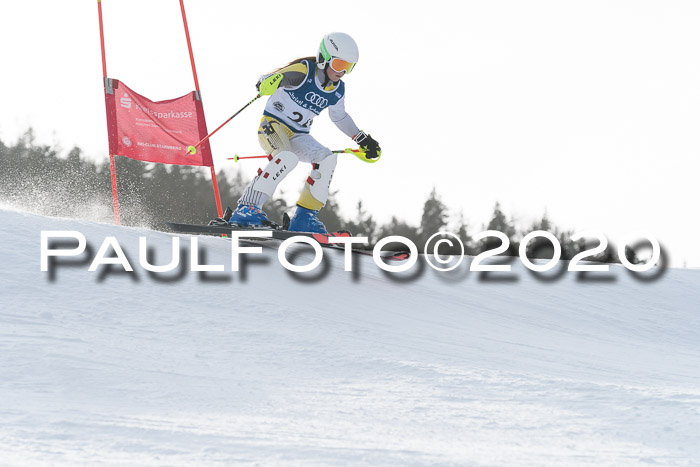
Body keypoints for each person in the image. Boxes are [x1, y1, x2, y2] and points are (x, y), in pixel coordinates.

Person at [228, 32, 381, 234]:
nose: (342, 72)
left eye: (348, 67)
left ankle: (304, 217)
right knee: (286, 157)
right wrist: (264, 84)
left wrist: (362, 139)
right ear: (324, 58)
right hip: (272, 124)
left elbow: (339, 117)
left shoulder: (337, 90)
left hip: (298, 134)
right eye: (339, 65)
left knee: (327, 158)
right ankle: (247, 208)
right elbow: (271, 78)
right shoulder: (304, 71)